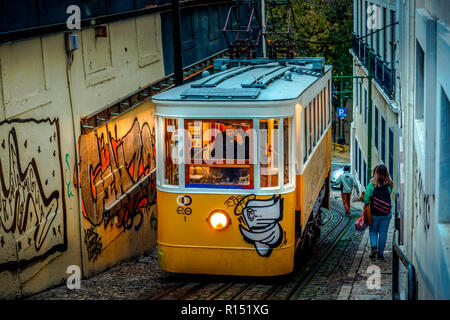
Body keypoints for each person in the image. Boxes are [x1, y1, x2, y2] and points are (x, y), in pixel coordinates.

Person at [362, 164, 393, 260]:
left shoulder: (372, 184)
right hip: (386, 213)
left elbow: (366, 199)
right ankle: (380, 254)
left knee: (373, 230)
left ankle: (374, 247)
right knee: (383, 233)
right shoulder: (389, 184)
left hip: (374, 213)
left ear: (376, 173)